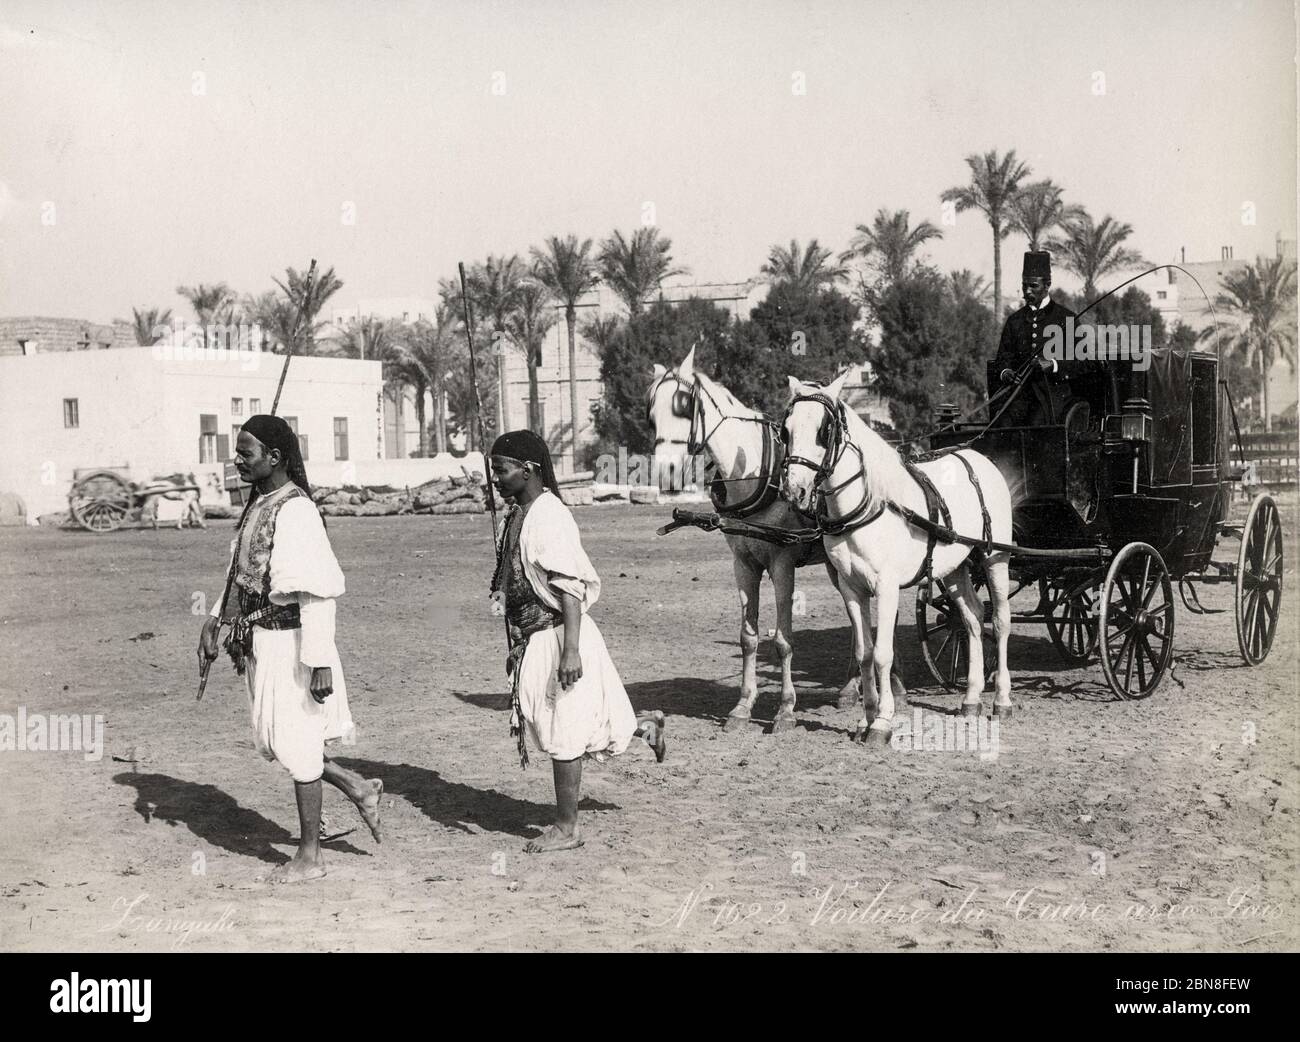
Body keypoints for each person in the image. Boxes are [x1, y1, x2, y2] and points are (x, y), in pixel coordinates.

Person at [197, 414, 382, 883]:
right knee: (277, 739)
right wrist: (215, 620)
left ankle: (310, 857)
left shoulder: (296, 511)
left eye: (246, 452)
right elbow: (244, 577)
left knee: (296, 744)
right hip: (260, 642)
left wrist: (318, 661)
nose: (237, 460)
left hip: (293, 644)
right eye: (238, 451)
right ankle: (356, 786)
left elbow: (316, 593)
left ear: (274, 457)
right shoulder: (259, 504)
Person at [488, 429, 665, 854]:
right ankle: (645, 727)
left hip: (561, 637)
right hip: (534, 639)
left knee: (562, 729)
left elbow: (570, 589)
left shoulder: (549, 516)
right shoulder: (518, 513)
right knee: (555, 721)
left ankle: (567, 828)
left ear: (528, 470)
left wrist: (570, 649)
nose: (495, 479)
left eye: (501, 470)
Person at [990, 251, 1079, 426]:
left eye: (1033, 286)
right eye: (1024, 286)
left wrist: (1052, 364)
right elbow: (1003, 358)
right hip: (1018, 397)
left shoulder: (1066, 319)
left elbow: (1081, 362)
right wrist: (1006, 372)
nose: (1027, 291)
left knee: (1035, 425)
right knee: (1001, 426)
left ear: (1047, 285)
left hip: (1053, 399)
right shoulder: (1014, 321)